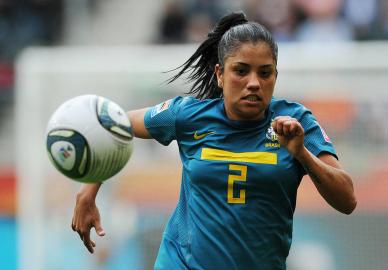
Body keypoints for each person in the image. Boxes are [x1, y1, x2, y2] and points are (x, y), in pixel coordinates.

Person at [71, 12, 357, 270]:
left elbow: (347, 200)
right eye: (241, 71)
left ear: (275, 76)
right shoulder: (188, 115)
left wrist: (301, 153)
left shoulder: (297, 123)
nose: (254, 82)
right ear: (220, 74)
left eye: (265, 73)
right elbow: (112, 123)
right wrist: (88, 192)